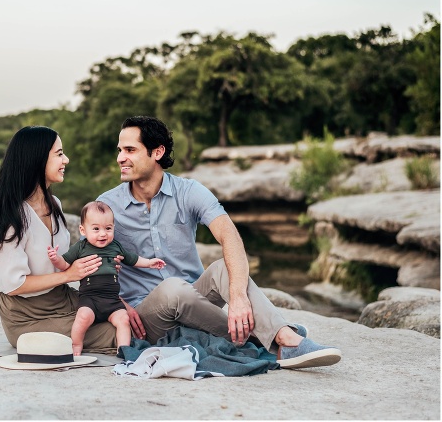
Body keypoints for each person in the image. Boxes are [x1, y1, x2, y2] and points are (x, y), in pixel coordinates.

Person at [97, 116, 342, 369]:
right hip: (147, 315)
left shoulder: (188, 191)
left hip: (196, 300)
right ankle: (276, 336)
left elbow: (229, 235)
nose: (120, 158)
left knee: (223, 268)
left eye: (130, 150)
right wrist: (121, 305)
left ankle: (284, 338)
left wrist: (237, 298)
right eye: (120, 150)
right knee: (172, 288)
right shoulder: (107, 205)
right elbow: (90, 264)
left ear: (157, 152)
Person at [0, 126, 118, 354]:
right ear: (37, 159)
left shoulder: (55, 205)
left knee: (123, 315)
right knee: (110, 333)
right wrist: (67, 275)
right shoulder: (11, 216)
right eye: (59, 153)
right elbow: (15, 284)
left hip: (62, 298)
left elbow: (66, 259)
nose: (66, 159)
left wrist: (100, 262)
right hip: (26, 315)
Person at [47, 200, 166, 356]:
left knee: (123, 320)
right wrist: (55, 259)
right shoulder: (81, 247)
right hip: (90, 299)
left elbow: (133, 259)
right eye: (96, 229)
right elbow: (64, 264)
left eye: (108, 228)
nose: (103, 233)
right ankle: (76, 345)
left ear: (113, 228)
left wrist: (150, 263)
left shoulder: (115, 246)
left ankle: (123, 350)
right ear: (83, 230)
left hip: (112, 301)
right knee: (82, 318)